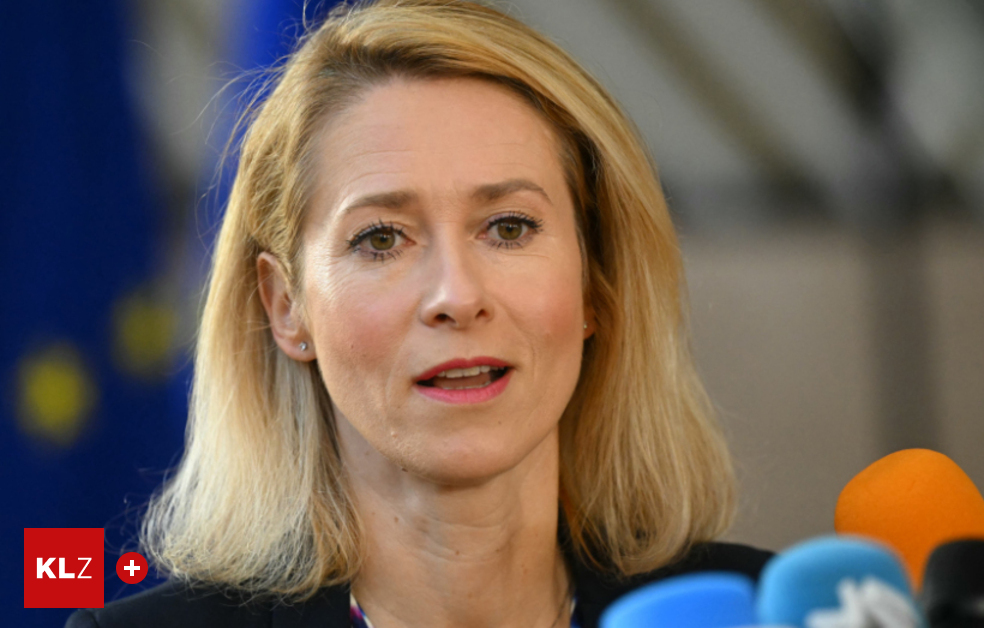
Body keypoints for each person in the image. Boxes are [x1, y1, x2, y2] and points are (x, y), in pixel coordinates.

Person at [67, 1, 770, 626]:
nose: (457, 297)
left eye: (509, 228)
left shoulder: (768, 614)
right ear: (286, 307)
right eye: (381, 239)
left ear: (595, 282)